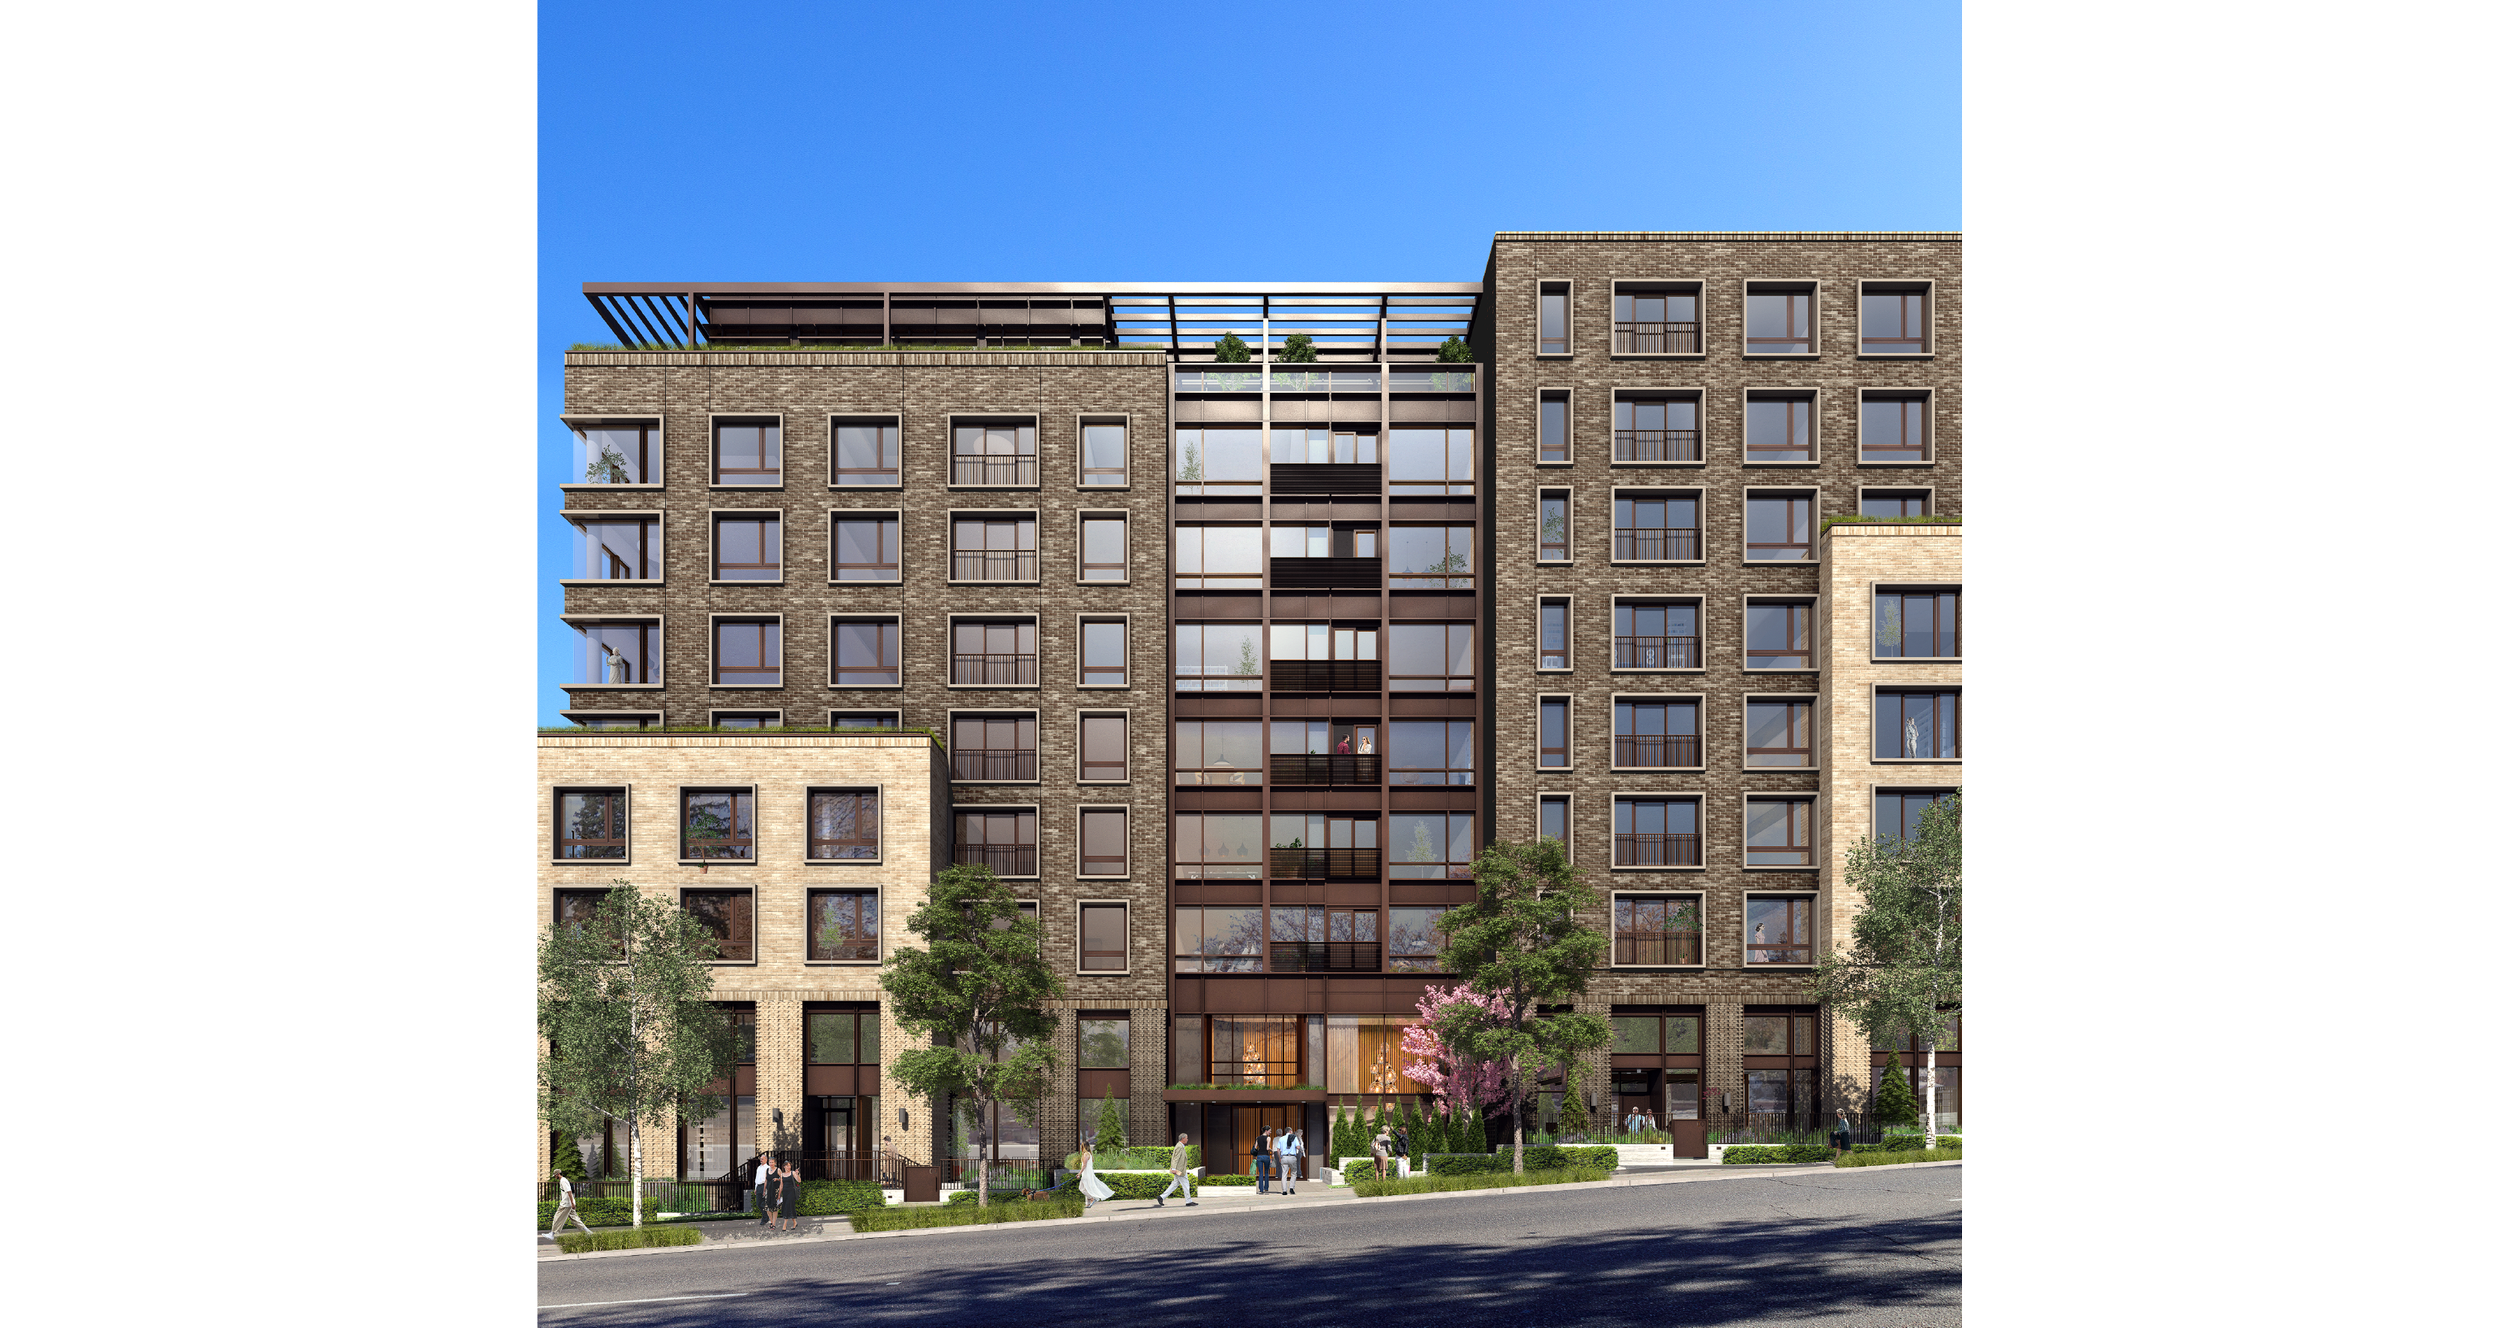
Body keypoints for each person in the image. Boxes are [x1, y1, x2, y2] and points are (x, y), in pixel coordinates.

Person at [548, 1172, 593, 1240]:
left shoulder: (563, 1181)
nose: (554, 1177)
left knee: (557, 1217)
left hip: (566, 1204)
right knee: (575, 1219)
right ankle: (588, 1232)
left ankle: (552, 1234)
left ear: (558, 1174)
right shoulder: (563, 1180)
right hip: (568, 1204)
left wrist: (572, 1203)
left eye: (555, 1175)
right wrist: (572, 1203)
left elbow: (569, 1192)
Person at [1158, 1133, 1196, 1207]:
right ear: (1183, 1139)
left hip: (1180, 1169)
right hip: (1179, 1170)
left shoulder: (1181, 1146)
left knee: (1174, 1185)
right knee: (1186, 1185)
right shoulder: (1179, 1147)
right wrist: (1174, 1168)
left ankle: (1161, 1197)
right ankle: (1188, 1201)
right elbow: (1175, 1158)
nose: (1187, 1139)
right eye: (1186, 1138)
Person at [1078, 1137, 1113, 1208]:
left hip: (1086, 1175)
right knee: (1086, 1188)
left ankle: (1092, 1198)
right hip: (1088, 1174)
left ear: (1083, 1147)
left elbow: (1084, 1165)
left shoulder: (1085, 1154)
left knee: (1081, 1188)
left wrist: (1079, 1173)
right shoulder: (1089, 1154)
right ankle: (1087, 1203)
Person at [1277, 1127, 1304, 1195]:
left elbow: (1278, 1150)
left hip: (1284, 1157)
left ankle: (1284, 1191)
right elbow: (1298, 1147)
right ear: (1290, 1131)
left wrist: (1280, 1158)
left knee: (1284, 1174)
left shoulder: (1281, 1138)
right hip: (1292, 1157)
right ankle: (1291, 1188)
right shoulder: (1294, 1138)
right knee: (1294, 1173)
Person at [778, 1157, 801, 1233]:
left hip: (791, 1192)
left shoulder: (793, 1173)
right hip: (785, 1192)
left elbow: (799, 1181)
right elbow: (781, 1185)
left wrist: (797, 1174)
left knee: (788, 1206)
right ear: (784, 1166)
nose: (789, 1167)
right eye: (787, 1165)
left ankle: (784, 1225)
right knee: (788, 1206)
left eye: (789, 1165)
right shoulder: (782, 1174)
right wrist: (779, 1195)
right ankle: (795, 1222)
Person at [1253, 1127, 1273, 1194]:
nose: (1270, 1132)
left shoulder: (1258, 1138)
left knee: (1260, 1173)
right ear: (1266, 1131)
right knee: (1266, 1172)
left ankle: (1261, 1189)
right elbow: (1267, 1148)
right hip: (1266, 1156)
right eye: (1269, 1131)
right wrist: (1272, 1150)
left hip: (1259, 1156)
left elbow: (1255, 1147)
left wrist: (1254, 1156)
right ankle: (1266, 1188)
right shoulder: (1268, 1138)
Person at [753, 1152, 772, 1224]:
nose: (761, 1160)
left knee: (763, 1203)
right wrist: (755, 1188)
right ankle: (766, 1216)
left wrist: (766, 1189)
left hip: (764, 1185)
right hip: (758, 1186)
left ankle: (764, 1218)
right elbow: (756, 1178)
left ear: (766, 1160)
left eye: (762, 1159)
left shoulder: (768, 1168)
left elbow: (768, 1179)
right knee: (758, 1203)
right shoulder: (758, 1167)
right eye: (760, 1159)